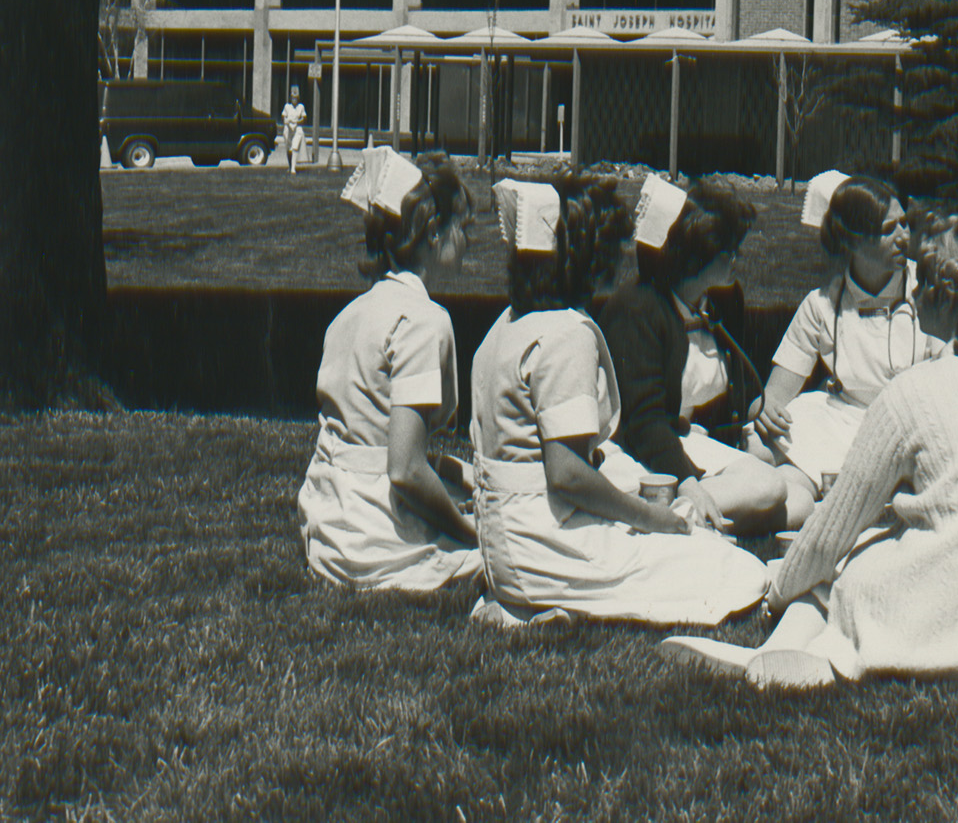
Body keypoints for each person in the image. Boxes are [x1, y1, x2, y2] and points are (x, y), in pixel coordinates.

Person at [657, 200, 958, 689]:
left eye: (922, 281)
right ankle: (782, 657)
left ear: (945, 295)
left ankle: (788, 652)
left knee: (849, 555)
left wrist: (778, 590)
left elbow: (832, 526)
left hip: (936, 623)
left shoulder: (917, 391)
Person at [468, 174, 769, 627]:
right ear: (589, 259)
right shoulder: (566, 332)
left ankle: (517, 604)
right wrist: (650, 517)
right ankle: (536, 604)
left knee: (692, 540)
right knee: (738, 570)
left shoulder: (506, 325)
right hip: (545, 542)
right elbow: (567, 474)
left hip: (504, 542)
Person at [297, 147, 482, 590]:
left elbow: (375, 437)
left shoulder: (351, 314)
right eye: (464, 227)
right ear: (434, 232)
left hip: (328, 523)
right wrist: (469, 532)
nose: (468, 240)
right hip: (375, 536)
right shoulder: (422, 321)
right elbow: (404, 469)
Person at [747, 171, 944, 527]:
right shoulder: (823, 305)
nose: (905, 237)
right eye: (888, 230)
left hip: (913, 427)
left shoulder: (930, 294)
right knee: (760, 444)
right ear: (853, 241)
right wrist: (765, 409)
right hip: (844, 421)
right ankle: (781, 510)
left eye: (904, 224)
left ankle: (825, 508)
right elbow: (774, 395)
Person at [598, 175, 788, 536]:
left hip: (694, 439)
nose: (736, 258)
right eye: (727, 251)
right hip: (646, 450)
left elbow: (735, 380)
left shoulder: (721, 300)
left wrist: (756, 410)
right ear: (696, 256)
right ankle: (661, 516)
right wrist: (687, 482)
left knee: (798, 496)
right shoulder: (636, 310)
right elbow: (644, 422)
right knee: (771, 488)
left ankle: (701, 524)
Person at [281, 85, 306, 174]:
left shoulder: (301, 107)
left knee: (295, 147)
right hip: (288, 129)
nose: (294, 99)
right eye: (292, 98)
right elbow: (283, 116)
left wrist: (297, 122)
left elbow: (304, 118)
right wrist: (287, 121)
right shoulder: (287, 106)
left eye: (296, 98)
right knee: (289, 149)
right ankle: (290, 165)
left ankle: (293, 169)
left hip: (297, 128)